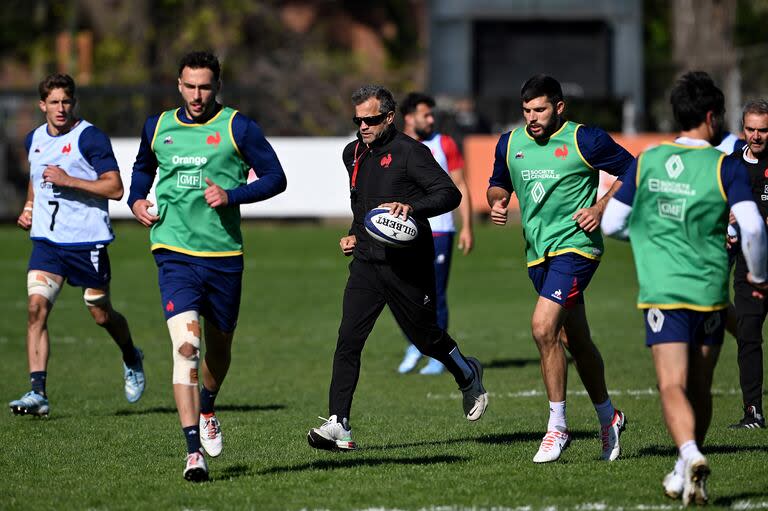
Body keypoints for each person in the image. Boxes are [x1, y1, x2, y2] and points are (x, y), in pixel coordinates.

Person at [601, 71, 768, 505]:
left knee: (671, 385)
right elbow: (752, 229)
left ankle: (689, 453)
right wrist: (758, 276)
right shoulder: (725, 165)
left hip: (663, 290)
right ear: (711, 117)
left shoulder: (648, 160)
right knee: (701, 386)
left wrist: (652, 236)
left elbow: (612, 223)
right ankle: (686, 465)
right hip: (711, 290)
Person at [128, 51, 286, 482]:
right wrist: (136, 200)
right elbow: (142, 169)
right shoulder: (158, 126)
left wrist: (232, 195)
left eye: (205, 87)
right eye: (190, 86)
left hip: (223, 258)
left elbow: (276, 177)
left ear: (217, 86)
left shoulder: (238, 127)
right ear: (178, 84)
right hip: (173, 252)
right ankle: (192, 451)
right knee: (186, 348)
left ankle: (209, 402)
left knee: (219, 349)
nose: (197, 95)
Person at [307, 85, 488, 451]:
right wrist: (353, 235)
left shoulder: (411, 153)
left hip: (408, 266)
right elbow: (362, 207)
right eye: (357, 120)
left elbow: (450, 193)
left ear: (389, 117)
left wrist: (413, 208)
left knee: (426, 339)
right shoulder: (352, 153)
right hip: (366, 265)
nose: (363, 126)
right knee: (348, 340)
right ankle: (339, 423)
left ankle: (467, 373)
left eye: (371, 120)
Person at [487, 74, 630, 463]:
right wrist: (498, 201)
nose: (532, 118)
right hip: (538, 254)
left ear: (559, 108)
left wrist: (600, 208)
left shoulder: (585, 139)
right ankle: (609, 416)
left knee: (542, 327)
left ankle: (557, 428)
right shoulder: (510, 142)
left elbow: (632, 170)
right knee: (574, 341)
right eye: (526, 111)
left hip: (576, 249)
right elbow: (497, 183)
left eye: (540, 109)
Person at [9, 74, 145, 418]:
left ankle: (130, 354)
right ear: (42, 105)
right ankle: (37, 392)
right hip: (47, 242)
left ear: (74, 103)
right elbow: (36, 178)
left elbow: (115, 188)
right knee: (35, 309)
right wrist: (28, 207)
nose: (60, 108)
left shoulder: (90, 137)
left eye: (66, 102)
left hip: (87, 242)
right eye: (53, 102)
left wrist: (68, 180)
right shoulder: (34, 139)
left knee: (100, 313)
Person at [396, 92, 474, 375]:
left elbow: (460, 185)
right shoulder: (395, 145)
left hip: (440, 230)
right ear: (409, 118)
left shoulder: (444, 144)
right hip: (402, 230)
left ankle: (439, 355)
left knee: (436, 295)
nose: (431, 120)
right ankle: (415, 344)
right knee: (401, 293)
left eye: (432, 115)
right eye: (425, 115)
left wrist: (466, 226)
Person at [726, 99, 768, 429]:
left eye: (763, 130)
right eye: (751, 129)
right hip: (746, 265)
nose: (756, 136)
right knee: (748, 335)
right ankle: (753, 411)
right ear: (743, 130)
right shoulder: (730, 166)